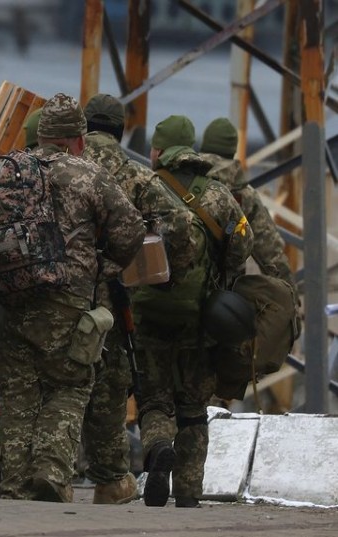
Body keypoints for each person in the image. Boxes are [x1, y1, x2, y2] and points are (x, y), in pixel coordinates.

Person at [0, 93, 145, 503]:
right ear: (78, 140)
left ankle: (15, 481)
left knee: (18, 392)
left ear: (40, 136)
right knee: (69, 383)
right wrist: (105, 266)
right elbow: (131, 231)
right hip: (66, 299)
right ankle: (51, 472)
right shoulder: (87, 174)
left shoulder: (7, 171)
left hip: (10, 295)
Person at [79, 94, 202, 504]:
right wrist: (160, 274)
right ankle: (110, 479)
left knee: (56, 383)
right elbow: (181, 226)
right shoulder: (132, 174)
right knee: (111, 386)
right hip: (112, 296)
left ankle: (44, 473)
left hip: (54, 289)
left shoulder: (56, 165)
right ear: (121, 130)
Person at [134, 115, 253, 508]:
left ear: (159, 151)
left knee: (153, 398)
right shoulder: (219, 195)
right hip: (199, 319)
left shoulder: (142, 187)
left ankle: (157, 448)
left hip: (150, 313)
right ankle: (188, 491)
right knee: (192, 408)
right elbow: (242, 245)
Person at [198, 117, 294, 286]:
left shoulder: (183, 178)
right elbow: (270, 253)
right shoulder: (244, 195)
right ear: (232, 151)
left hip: (174, 293)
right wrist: (290, 295)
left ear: (204, 146)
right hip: (223, 298)